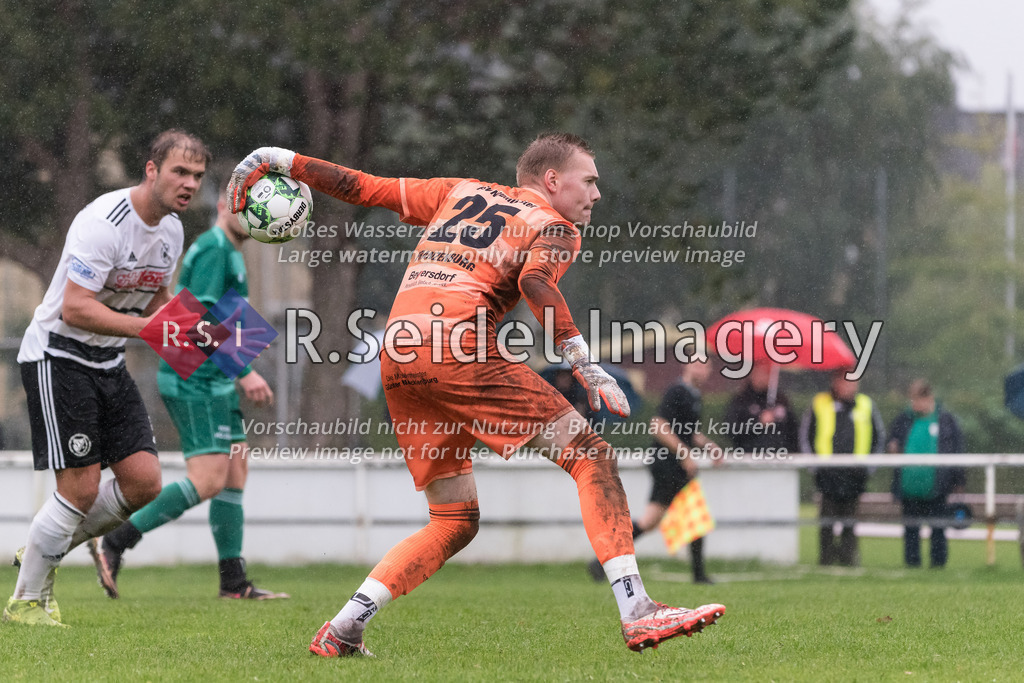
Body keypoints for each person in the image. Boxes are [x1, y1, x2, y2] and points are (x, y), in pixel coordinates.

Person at [227, 133, 725, 656]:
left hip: (398, 352)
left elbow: (365, 187)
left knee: (454, 520)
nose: (597, 194)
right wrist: (583, 361)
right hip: (456, 348)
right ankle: (638, 611)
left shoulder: (459, 191)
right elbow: (536, 282)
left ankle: (344, 628)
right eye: (590, 180)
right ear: (552, 181)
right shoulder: (553, 225)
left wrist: (281, 159)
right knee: (591, 456)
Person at [4, 130, 209, 626]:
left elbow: (158, 299)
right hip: (58, 357)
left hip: (107, 361)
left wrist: (199, 333)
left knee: (144, 484)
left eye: (198, 177)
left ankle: (38, 549)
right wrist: (151, 329)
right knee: (78, 490)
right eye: (180, 172)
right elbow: (75, 309)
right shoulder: (104, 222)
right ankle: (28, 601)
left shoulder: (173, 231)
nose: (189, 184)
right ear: (151, 169)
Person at [91, 197, 287, 601]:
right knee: (209, 479)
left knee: (234, 473)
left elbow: (216, 317)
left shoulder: (225, 249)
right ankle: (115, 541)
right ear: (222, 204)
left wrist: (244, 349)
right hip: (197, 379)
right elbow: (195, 321)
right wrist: (243, 371)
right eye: (246, 206)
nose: (253, 216)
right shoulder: (216, 248)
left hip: (213, 378)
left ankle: (233, 581)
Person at [588, 358, 722, 584]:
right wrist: (685, 454)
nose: (702, 369)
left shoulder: (692, 395)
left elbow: (687, 432)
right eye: (697, 364)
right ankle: (699, 576)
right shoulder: (677, 391)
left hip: (674, 465)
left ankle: (602, 562)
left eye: (705, 365)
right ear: (687, 366)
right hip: (668, 465)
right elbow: (658, 426)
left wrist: (709, 446)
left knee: (653, 521)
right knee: (688, 515)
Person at [799, 370, 885, 567]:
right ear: (835, 382)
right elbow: (806, 436)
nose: (851, 386)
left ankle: (849, 560)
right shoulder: (819, 403)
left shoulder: (865, 404)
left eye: (854, 382)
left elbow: (878, 437)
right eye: (846, 382)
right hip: (827, 475)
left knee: (850, 522)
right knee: (827, 522)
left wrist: (868, 468)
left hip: (855, 475)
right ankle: (826, 560)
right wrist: (815, 467)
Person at [887, 379, 966, 569]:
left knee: (938, 527)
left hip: (937, 486)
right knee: (911, 529)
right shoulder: (903, 420)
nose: (914, 404)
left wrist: (959, 480)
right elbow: (892, 441)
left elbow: (957, 450)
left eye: (917, 400)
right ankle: (912, 563)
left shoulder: (946, 421)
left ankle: (938, 563)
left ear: (929, 397)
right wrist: (892, 447)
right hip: (909, 486)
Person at [722, 362, 799, 456]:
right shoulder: (741, 400)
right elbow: (730, 429)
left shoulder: (781, 400)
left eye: (766, 373)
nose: (761, 378)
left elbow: (793, 431)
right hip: (748, 458)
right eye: (758, 373)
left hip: (779, 459)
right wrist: (758, 423)